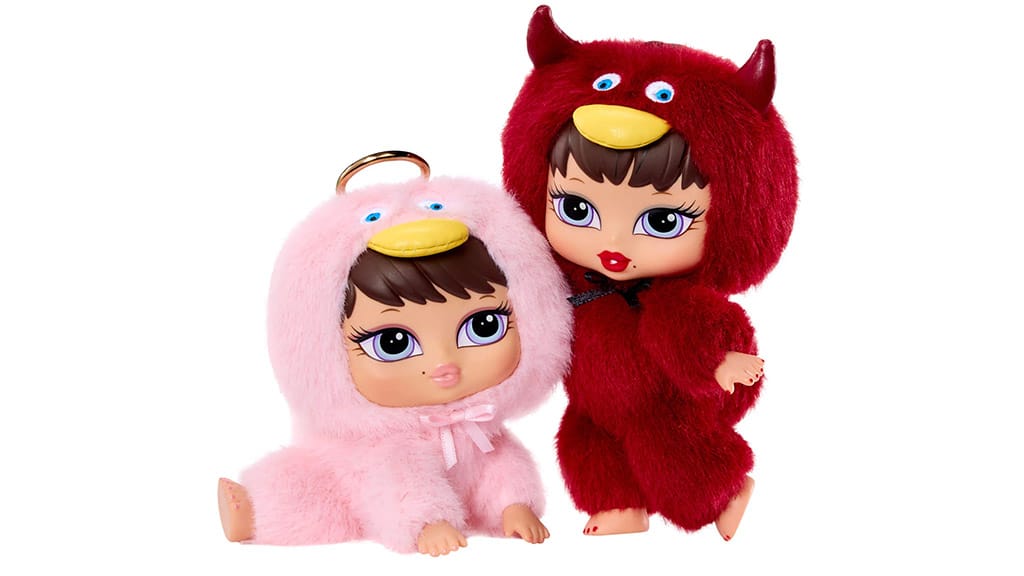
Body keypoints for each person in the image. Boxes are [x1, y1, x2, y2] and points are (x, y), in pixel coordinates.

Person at [501, 7, 799, 541]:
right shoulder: (564, 284)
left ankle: (727, 490)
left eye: (662, 221)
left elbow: (695, 332)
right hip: (591, 406)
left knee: (673, 454)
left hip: (660, 407)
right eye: (576, 209)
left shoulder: (671, 298)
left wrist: (720, 362)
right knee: (586, 446)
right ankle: (618, 504)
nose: (613, 245)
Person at [218, 152, 572, 555]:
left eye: (483, 326)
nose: (443, 364)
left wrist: (514, 506)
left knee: (496, 460)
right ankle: (252, 510)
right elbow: (400, 483)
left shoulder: (480, 424)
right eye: (393, 343)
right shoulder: (387, 445)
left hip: (439, 473)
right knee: (316, 501)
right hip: (351, 477)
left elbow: (499, 463)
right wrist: (427, 524)